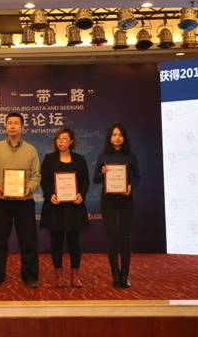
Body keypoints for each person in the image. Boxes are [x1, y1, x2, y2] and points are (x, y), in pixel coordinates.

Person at [0, 112, 41, 289]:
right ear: (5, 126)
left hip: (25, 201)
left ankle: (30, 276)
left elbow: (36, 175)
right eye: (9, 123)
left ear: (22, 127)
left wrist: (29, 188)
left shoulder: (31, 150)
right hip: (1, 201)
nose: (12, 126)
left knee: (28, 241)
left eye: (16, 123)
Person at [39, 128, 89, 288]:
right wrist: (50, 195)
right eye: (58, 139)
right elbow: (44, 181)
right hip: (55, 207)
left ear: (71, 141)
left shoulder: (80, 160)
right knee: (56, 242)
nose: (61, 141)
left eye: (65, 139)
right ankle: (59, 276)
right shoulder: (49, 159)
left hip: (74, 207)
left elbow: (85, 182)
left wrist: (81, 194)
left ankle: (75, 276)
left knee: (74, 242)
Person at [93, 123, 141, 288]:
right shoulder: (103, 156)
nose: (117, 138)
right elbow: (96, 179)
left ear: (124, 138)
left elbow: (137, 177)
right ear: (110, 137)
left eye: (120, 135)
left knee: (125, 237)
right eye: (114, 135)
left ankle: (125, 275)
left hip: (126, 200)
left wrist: (131, 186)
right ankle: (115, 274)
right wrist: (102, 173)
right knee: (112, 237)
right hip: (108, 201)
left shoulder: (130, 155)